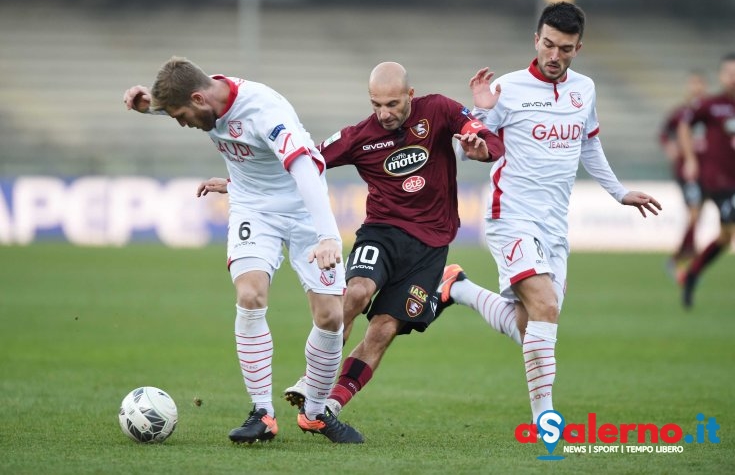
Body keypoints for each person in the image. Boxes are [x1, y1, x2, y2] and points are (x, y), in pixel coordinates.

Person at [205, 61, 502, 423]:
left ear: (410, 95)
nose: (384, 113)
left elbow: (486, 137)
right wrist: (239, 184)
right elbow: (302, 161)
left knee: (383, 330)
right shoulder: (360, 136)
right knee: (357, 291)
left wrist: (480, 149)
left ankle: (331, 405)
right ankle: (313, 381)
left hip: (431, 245)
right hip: (382, 231)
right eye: (376, 104)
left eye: (392, 104)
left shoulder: (439, 109)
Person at [435, 2, 662, 430]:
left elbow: (589, 144)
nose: (555, 56)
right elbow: (476, 143)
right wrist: (480, 123)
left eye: (566, 49)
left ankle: (458, 288)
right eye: (549, 45)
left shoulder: (585, 89)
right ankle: (545, 419)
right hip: (510, 217)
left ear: (579, 48)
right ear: (535, 40)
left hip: (555, 225)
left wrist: (618, 192)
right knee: (545, 306)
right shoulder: (507, 88)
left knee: (532, 327)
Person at [122, 56, 364, 444]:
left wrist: (328, 236)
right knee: (250, 295)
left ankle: (316, 413)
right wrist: (149, 104)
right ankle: (262, 413)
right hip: (253, 207)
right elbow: (186, 102)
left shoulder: (265, 111)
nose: (183, 123)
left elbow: (304, 169)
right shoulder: (204, 101)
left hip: (305, 207)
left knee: (332, 316)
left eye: (181, 116)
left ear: (200, 99)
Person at [678, 52, 735, 309]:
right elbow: (683, 125)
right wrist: (690, 158)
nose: (732, 79)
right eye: (729, 74)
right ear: (722, 76)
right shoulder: (712, 105)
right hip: (720, 181)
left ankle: (692, 273)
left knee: (725, 238)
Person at [659, 70, 708, 277]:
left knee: (697, 215)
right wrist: (671, 148)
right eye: (693, 84)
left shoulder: (708, 111)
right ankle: (679, 256)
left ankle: (691, 253)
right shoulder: (681, 113)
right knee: (695, 213)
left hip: (706, 171)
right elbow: (663, 133)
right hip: (686, 171)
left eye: (699, 84)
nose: (696, 88)